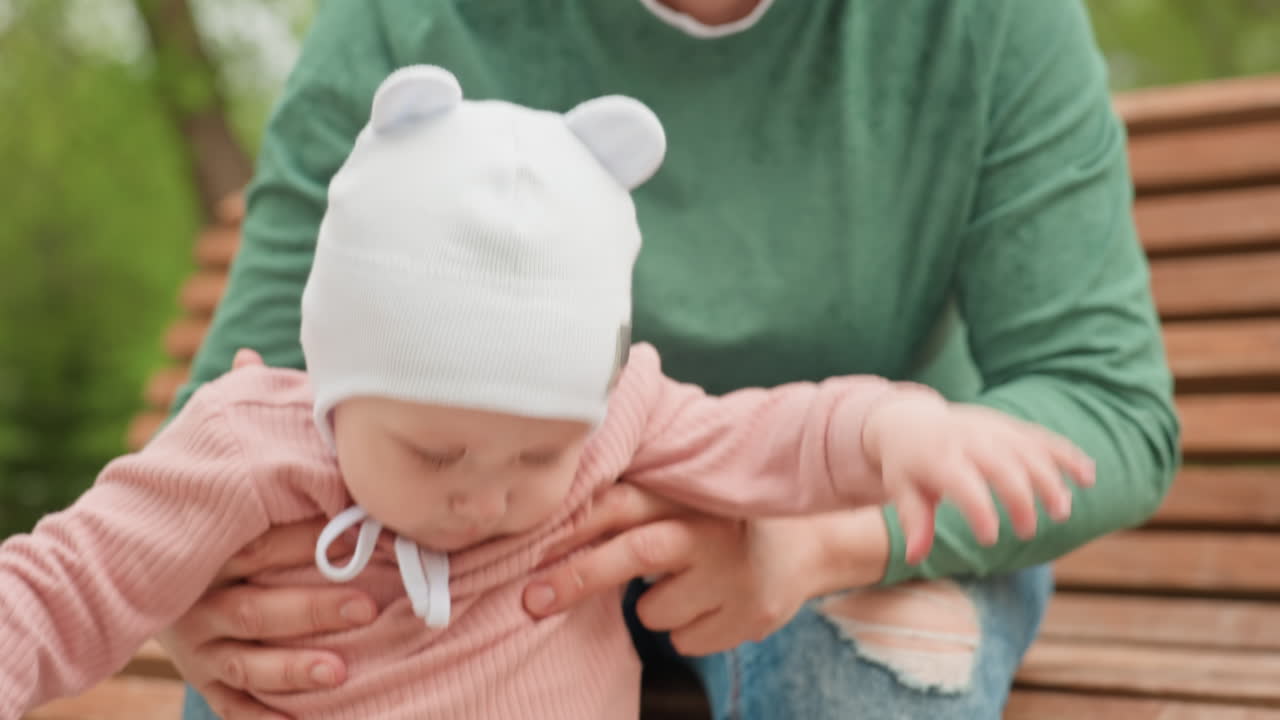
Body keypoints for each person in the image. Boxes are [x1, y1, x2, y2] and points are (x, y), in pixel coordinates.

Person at [164, 1, 1180, 718]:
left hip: (841, 522)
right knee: (283, 678)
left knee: (866, 680)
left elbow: (1105, 406)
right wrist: (198, 592)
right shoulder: (405, 17)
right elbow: (242, 392)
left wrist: (812, 544)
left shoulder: (988, 21)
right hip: (469, 543)